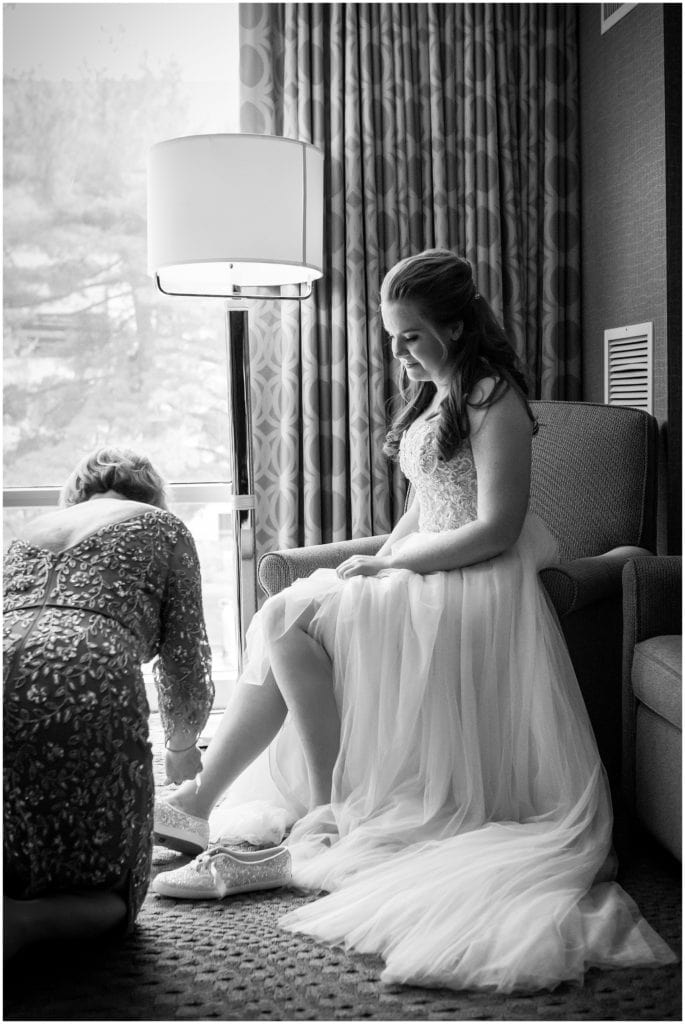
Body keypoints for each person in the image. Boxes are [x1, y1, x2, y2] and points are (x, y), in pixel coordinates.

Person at [153, 250, 675, 992]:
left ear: (455, 328)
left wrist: (395, 567)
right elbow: (422, 509)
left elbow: (495, 527)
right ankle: (222, 802)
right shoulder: (436, 395)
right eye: (392, 336)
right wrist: (374, 558)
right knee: (284, 618)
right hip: (429, 564)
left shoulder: (492, 397)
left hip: (472, 583)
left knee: (286, 623)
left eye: (409, 336)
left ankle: (312, 807)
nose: (397, 351)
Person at [3, 447, 214, 959]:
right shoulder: (164, 526)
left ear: (78, 493)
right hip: (86, 676)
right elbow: (184, 660)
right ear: (153, 493)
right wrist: (182, 748)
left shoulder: (29, 533)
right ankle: (19, 924)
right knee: (116, 891)